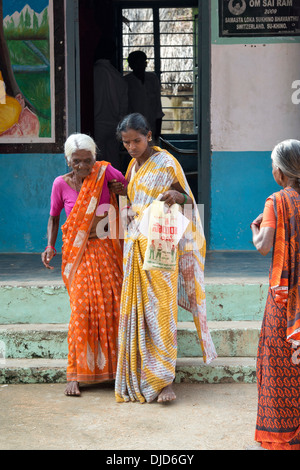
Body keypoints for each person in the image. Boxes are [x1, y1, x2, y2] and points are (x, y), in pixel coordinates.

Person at [113, 113, 217, 404]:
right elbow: (133, 207)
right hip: (135, 244)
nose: (132, 146)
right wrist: (123, 196)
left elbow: (187, 200)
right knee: (138, 312)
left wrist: (175, 193)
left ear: (148, 135)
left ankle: (164, 380)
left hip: (161, 241)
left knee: (161, 311)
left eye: (136, 140)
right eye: (126, 142)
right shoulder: (133, 166)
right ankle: (142, 375)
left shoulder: (167, 162)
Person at [41, 133, 128, 397]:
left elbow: (131, 199)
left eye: (87, 160)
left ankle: (117, 371)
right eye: (77, 162)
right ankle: (75, 374)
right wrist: (49, 245)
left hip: (105, 248)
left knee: (113, 306)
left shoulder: (105, 172)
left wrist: (121, 192)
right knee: (81, 310)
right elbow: (54, 218)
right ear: (68, 161)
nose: (83, 167)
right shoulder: (60, 184)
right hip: (77, 253)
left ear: (95, 158)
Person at [250, 139, 300, 450]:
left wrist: (255, 229)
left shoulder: (276, 201)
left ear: (280, 173)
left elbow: (264, 245)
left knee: (278, 363)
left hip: (285, 300)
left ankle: (281, 436)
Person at [94, 39, 128, 169]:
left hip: (98, 124)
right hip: (114, 124)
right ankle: (116, 187)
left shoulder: (93, 73)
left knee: (98, 162)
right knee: (114, 160)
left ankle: (101, 188)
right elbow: (124, 105)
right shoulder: (117, 76)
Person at [123, 51, 164, 144]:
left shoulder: (152, 79)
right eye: (137, 63)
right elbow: (124, 109)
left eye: (143, 62)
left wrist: (158, 132)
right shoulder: (126, 81)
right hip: (133, 130)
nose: (141, 66)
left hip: (151, 128)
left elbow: (158, 107)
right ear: (131, 65)